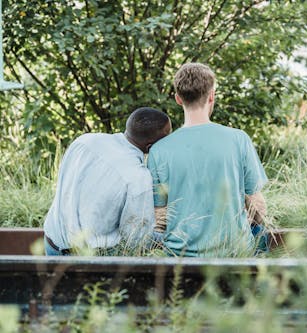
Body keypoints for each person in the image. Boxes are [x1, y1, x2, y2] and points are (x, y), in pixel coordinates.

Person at [148, 63, 268, 257]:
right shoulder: (238, 139)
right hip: (233, 252)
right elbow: (257, 205)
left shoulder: (158, 150)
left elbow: (159, 217)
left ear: (178, 99)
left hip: (180, 256)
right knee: (260, 234)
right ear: (212, 95)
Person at [43, 107, 172, 256]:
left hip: (52, 242)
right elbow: (136, 240)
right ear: (152, 147)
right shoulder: (137, 178)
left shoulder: (84, 141)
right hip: (87, 259)